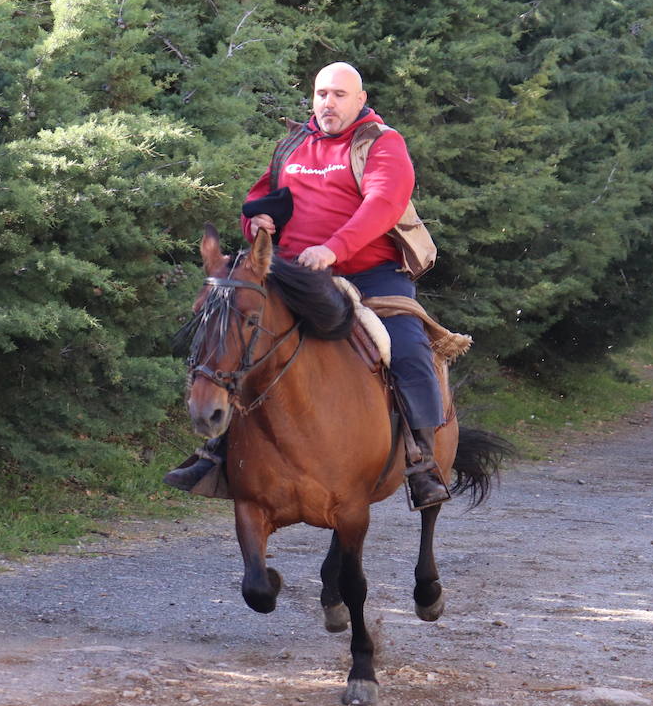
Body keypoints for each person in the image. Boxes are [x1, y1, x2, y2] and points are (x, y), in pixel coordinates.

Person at [165, 62, 451, 511]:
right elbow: (263, 197)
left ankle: (421, 461)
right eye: (321, 94)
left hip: (369, 273)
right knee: (238, 334)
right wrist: (255, 220)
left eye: (339, 94)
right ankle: (218, 452)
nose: (328, 103)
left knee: (409, 348)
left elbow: (384, 203)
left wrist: (334, 248)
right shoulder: (295, 144)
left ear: (360, 99)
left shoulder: (381, 144)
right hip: (293, 273)